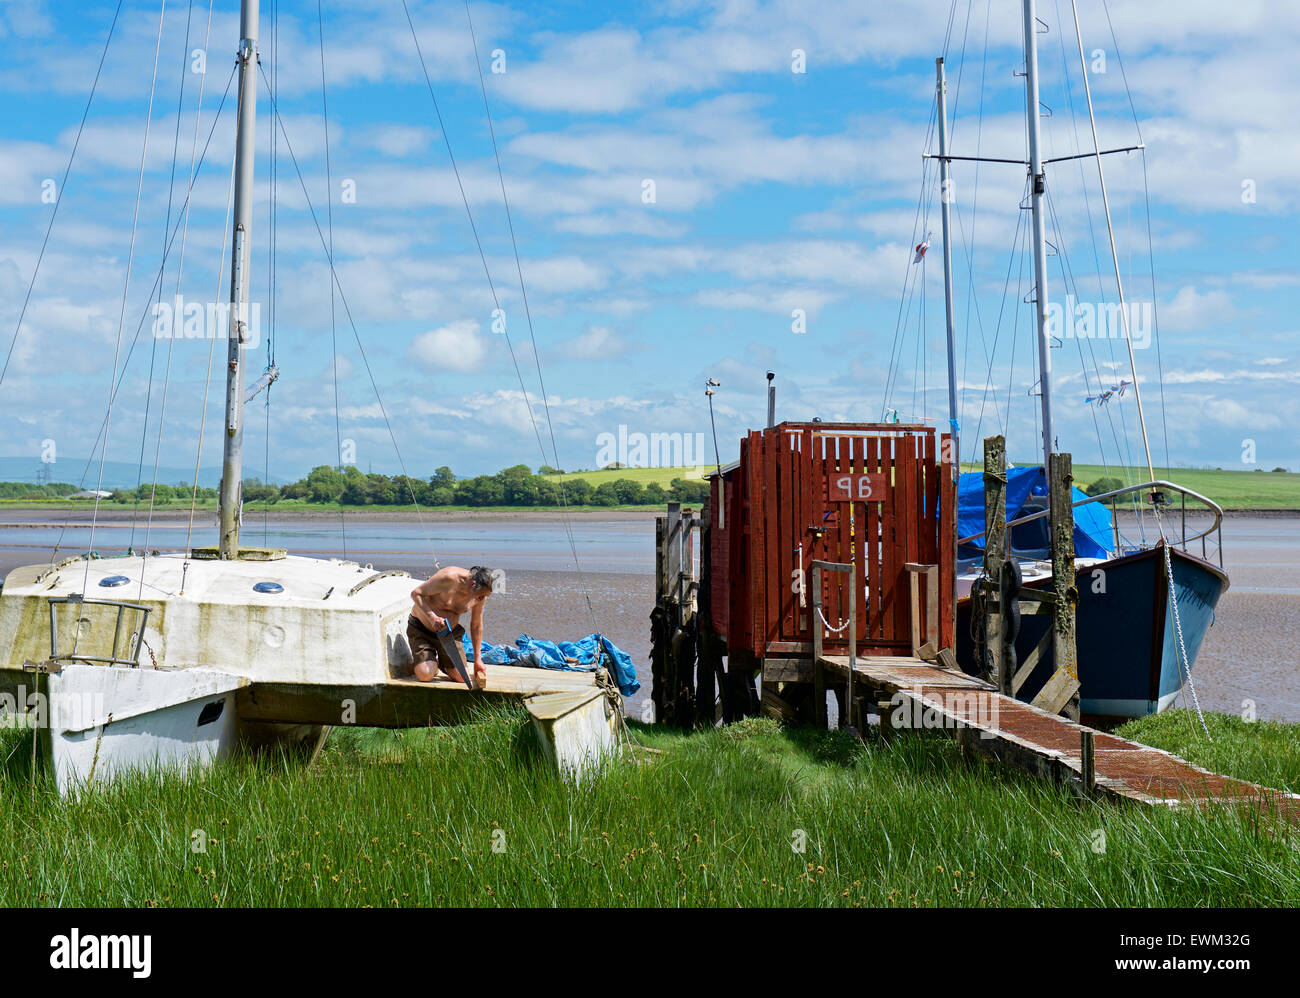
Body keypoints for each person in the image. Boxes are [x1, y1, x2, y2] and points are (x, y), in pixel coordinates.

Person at [407, 565, 495, 688]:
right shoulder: (448, 578)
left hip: (449, 634)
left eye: (485, 596)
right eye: (481, 596)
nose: (482, 599)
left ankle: (444, 663)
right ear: (473, 584)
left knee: (461, 677)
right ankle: (430, 663)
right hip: (422, 629)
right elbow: (416, 594)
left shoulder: (480, 596)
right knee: (425, 675)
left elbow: (476, 626)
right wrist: (432, 617)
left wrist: (477, 659)